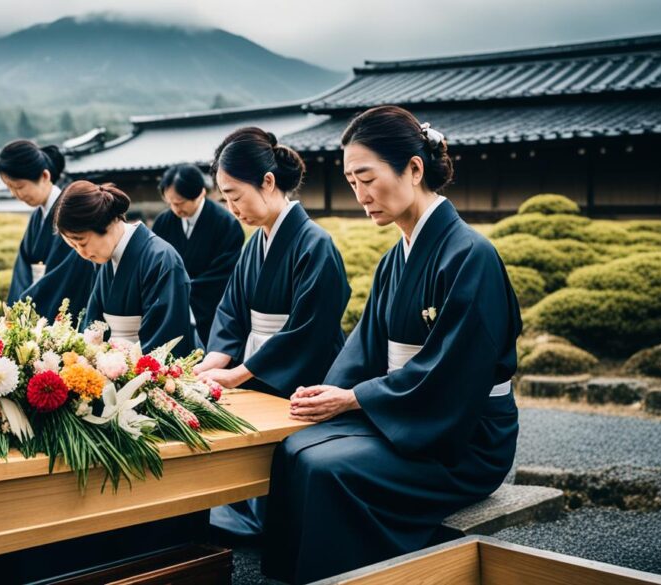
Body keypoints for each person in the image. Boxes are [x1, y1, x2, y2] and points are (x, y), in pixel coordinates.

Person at [261, 106, 522, 584]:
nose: (359, 195)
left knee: (327, 468)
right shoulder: (392, 260)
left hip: (464, 438)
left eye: (366, 178)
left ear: (414, 169)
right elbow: (364, 350)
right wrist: (330, 396)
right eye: (350, 181)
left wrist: (357, 398)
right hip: (409, 411)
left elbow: (453, 375)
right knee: (295, 447)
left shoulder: (471, 256)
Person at [192, 127, 350, 540]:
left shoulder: (316, 244)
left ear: (267, 182)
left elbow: (308, 330)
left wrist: (240, 373)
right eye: (224, 199)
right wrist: (212, 362)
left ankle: (276, 521)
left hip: (302, 372)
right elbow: (231, 311)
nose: (231, 208)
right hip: (257, 364)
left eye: (235, 195)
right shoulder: (253, 244)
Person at [54, 180, 196, 355]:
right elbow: (92, 323)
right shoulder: (106, 257)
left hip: (144, 369)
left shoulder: (161, 258)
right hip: (110, 366)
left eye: (82, 242)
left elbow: (166, 339)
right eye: (73, 246)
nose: (82, 254)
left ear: (105, 224)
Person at [0, 140, 95, 320]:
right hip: (35, 300)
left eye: (19, 187)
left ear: (44, 176)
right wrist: (20, 306)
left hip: (61, 308)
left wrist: (28, 307)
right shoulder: (37, 216)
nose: (15, 194)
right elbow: (22, 268)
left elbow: (67, 273)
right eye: (10, 188)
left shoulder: (71, 211)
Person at [151, 164, 243, 347]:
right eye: (170, 203)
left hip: (211, 310)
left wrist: (181, 290)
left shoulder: (225, 223)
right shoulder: (163, 222)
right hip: (171, 310)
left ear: (201, 193)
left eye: (180, 202)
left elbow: (223, 273)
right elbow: (154, 264)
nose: (175, 209)